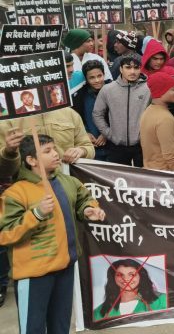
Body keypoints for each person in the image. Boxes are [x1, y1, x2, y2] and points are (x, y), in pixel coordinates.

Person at [0, 134, 105, 333]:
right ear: (31, 160)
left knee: (61, 325)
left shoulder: (68, 182)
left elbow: (83, 200)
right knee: (33, 327)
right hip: (34, 274)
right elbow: (5, 234)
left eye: (54, 149)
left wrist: (88, 210)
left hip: (65, 267)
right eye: (47, 151)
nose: (56, 154)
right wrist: (36, 214)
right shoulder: (16, 193)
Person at [92, 56, 149, 167]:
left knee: (142, 181)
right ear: (121, 69)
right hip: (116, 146)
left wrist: (145, 136)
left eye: (136, 68)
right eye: (128, 67)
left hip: (142, 146)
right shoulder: (108, 89)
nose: (132, 71)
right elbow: (97, 113)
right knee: (118, 180)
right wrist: (109, 134)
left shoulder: (148, 89)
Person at [93, 259, 166, 320]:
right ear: (113, 278)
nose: (126, 279)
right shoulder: (98, 312)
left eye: (131, 275)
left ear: (141, 276)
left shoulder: (162, 300)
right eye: (120, 275)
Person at [139, 72, 174, 172]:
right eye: (173, 89)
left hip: (150, 171)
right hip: (165, 176)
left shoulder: (148, 111)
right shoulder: (165, 119)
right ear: (160, 92)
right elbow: (170, 155)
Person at [73, 60, 111, 161]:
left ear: (104, 74)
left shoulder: (113, 91)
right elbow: (78, 117)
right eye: (92, 78)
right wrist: (85, 133)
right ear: (86, 79)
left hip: (112, 146)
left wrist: (106, 133)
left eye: (99, 76)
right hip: (92, 146)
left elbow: (119, 117)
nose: (97, 80)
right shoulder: (81, 95)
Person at [62, 29, 114, 95]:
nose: (92, 44)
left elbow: (108, 80)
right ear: (78, 43)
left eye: (92, 41)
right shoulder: (66, 61)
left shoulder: (97, 58)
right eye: (88, 41)